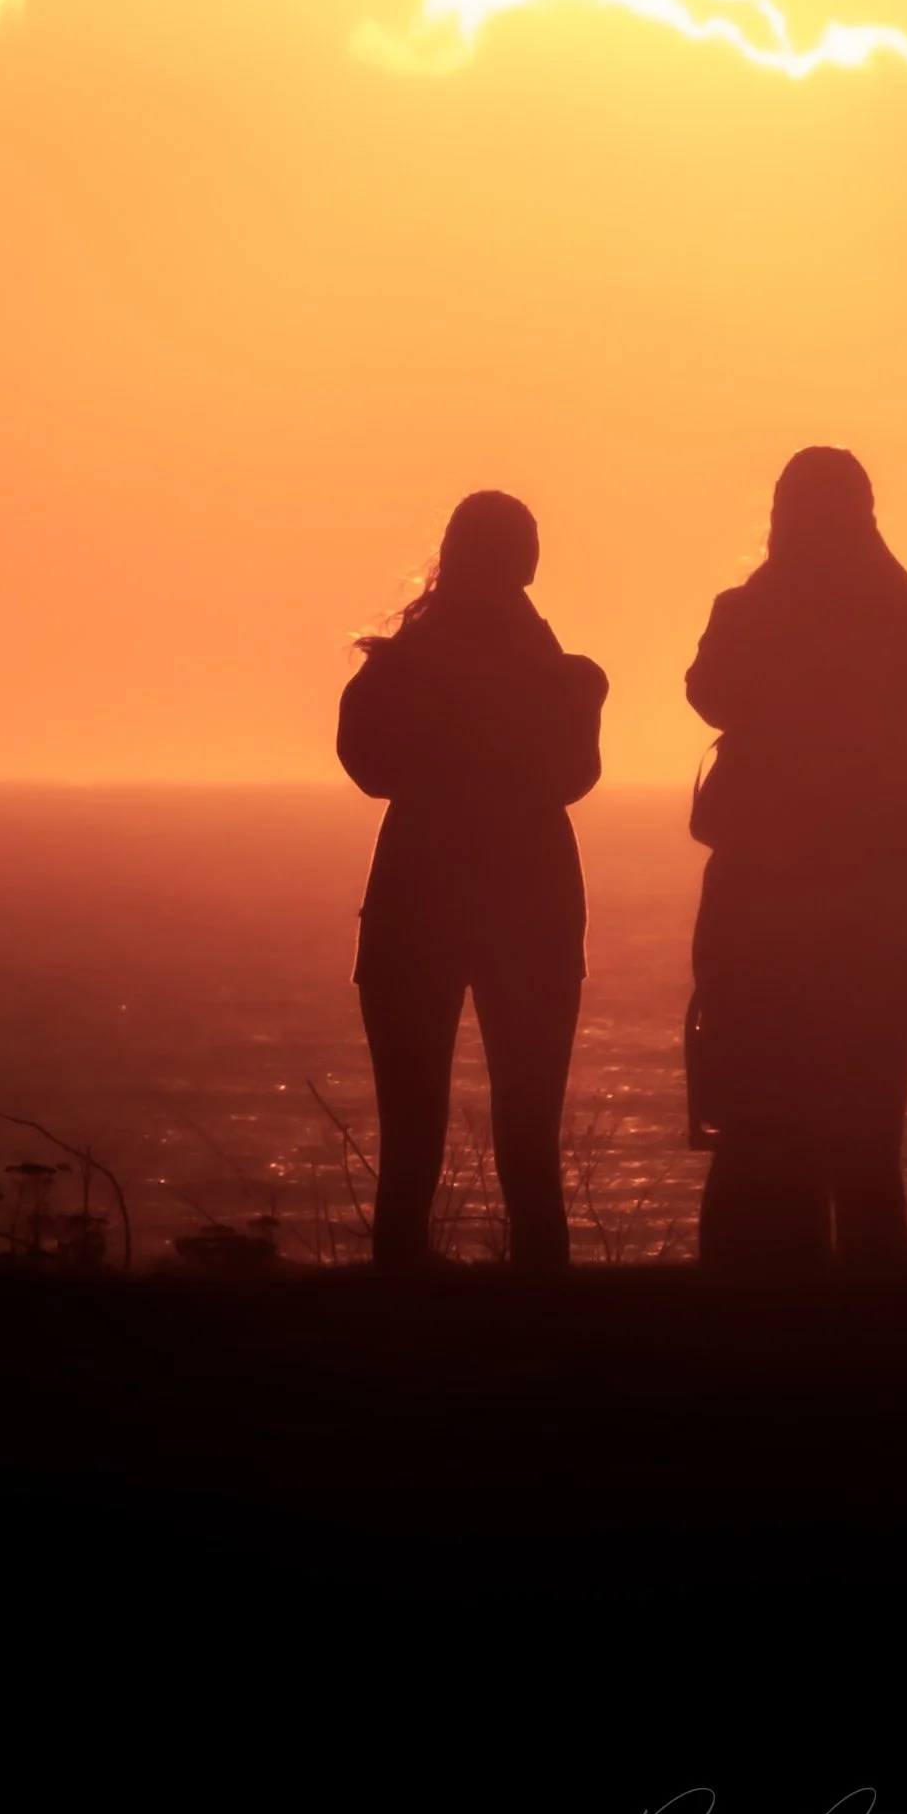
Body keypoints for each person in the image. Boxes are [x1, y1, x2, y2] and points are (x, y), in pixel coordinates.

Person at [683, 448, 907, 1268]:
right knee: (871, 1085)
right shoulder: (893, 609)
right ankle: (872, 1271)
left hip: (759, 885)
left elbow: (706, 691)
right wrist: (888, 583)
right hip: (873, 880)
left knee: (760, 1085)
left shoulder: (743, 609)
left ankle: (761, 1271)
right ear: (866, 515)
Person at [335, 491, 607, 1270]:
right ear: (524, 558)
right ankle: (541, 1309)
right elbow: (572, 775)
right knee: (529, 1132)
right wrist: (581, 694)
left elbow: (367, 764)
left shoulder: (408, 658)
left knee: (411, 1131)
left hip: (417, 898)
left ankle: (403, 1304)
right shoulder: (546, 665)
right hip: (531, 904)